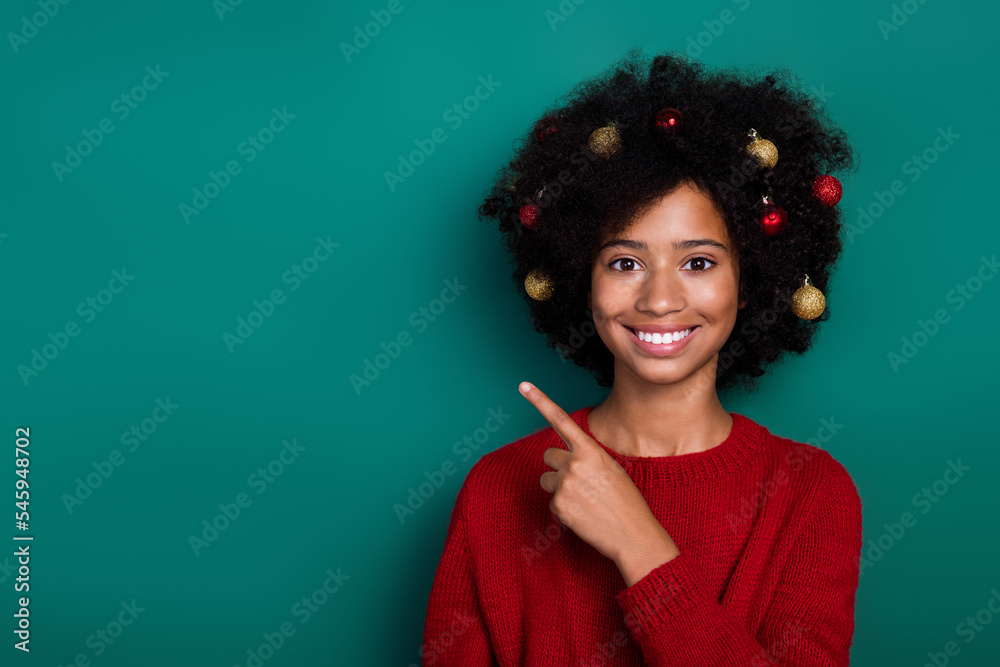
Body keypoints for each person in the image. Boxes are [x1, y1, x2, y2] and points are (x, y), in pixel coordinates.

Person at [421, 48, 862, 667]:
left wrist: (638, 543)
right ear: (581, 277)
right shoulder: (498, 490)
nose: (659, 299)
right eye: (626, 263)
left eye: (699, 262)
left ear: (754, 279)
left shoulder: (812, 494)